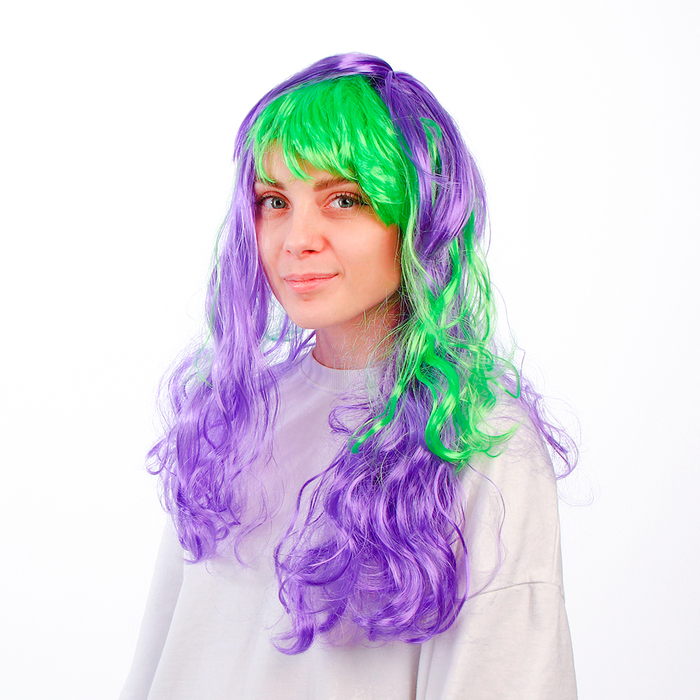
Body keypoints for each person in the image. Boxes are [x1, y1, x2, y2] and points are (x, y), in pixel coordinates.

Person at [119, 53, 578, 699]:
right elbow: (165, 657)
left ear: (418, 216)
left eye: (344, 199)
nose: (296, 238)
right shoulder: (233, 420)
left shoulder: (481, 443)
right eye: (274, 201)